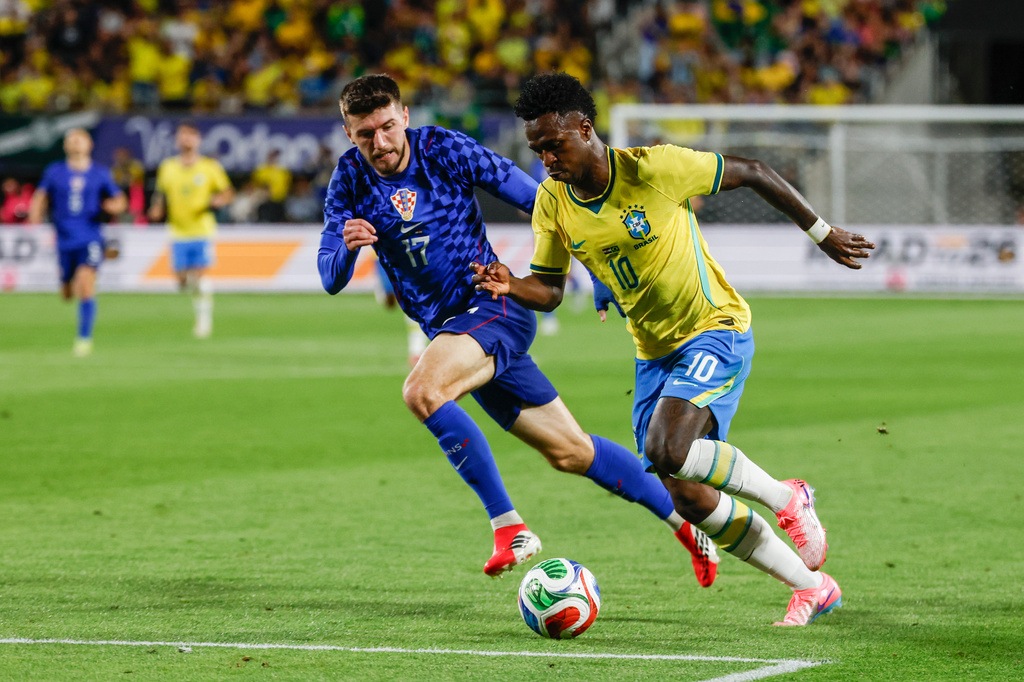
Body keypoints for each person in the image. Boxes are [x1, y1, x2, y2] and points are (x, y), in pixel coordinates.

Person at [473, 72, 875, 625]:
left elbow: (754, 172)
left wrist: (822, 232)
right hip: (652, 353)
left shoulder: (654, 168)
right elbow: (548, 288)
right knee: (686, 496)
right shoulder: (552, 203)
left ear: (584, 129)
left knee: (666, 447)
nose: (546, 158)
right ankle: (812, 586)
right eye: (537, 149)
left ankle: (788, 498)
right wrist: (509, 283)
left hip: (716, 326)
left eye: (553, 144)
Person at [319, 74, 720, 583]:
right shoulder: (349, 179)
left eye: (386, 127)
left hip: (493, 307)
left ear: (405, 117)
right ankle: (686, 524)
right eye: (364, 135)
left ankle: (508, 527)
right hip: (454, 333)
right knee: (571, 452)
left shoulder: (443, 148)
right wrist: (347, 250)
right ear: (349, 134)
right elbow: (328, 274)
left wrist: (595, 268)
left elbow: (541, 200)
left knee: (422, 390)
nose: (379, 143)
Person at [28, 128, 126, 357]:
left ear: (89, 144)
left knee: (85, 283)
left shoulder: (100, 173)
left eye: (79, 139)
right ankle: (66, 282)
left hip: (91, 237)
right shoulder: (55, 171)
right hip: (64, 239)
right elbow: (41, 195)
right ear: (65, 146)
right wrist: (35, 213)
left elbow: (119, 199)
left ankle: (84, 338)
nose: (75, 143)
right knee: (66, 292)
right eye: (70, 140)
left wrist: (115, 206)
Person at [147, 121, 234, 338]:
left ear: (198, 140)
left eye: (190, 135)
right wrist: (156, 208)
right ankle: (196, 295)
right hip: (177, 230)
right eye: (182, 135)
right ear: (177, 140)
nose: (186, 139)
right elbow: (160, 193)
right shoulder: (167, 167)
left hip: (202, 229)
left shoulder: (209, 167)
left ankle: (204, 320)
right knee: (182, 281)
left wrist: (218, 201)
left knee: (202, 277)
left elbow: (228, 192)